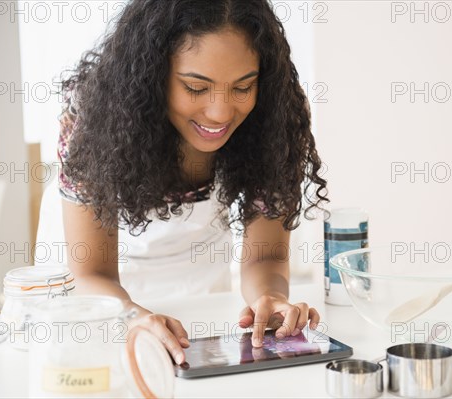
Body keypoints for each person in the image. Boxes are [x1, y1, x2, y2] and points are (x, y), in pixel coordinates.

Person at [47, 0, 329, 366]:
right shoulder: (91, 114)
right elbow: (90, 272)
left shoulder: (277, 115)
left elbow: (266, 256)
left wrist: (271, 297)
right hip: (97, 299)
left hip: (202, 296)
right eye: (196, 88)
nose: (220, 113)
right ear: (151, 74)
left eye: (243, 87)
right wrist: (132, 316)